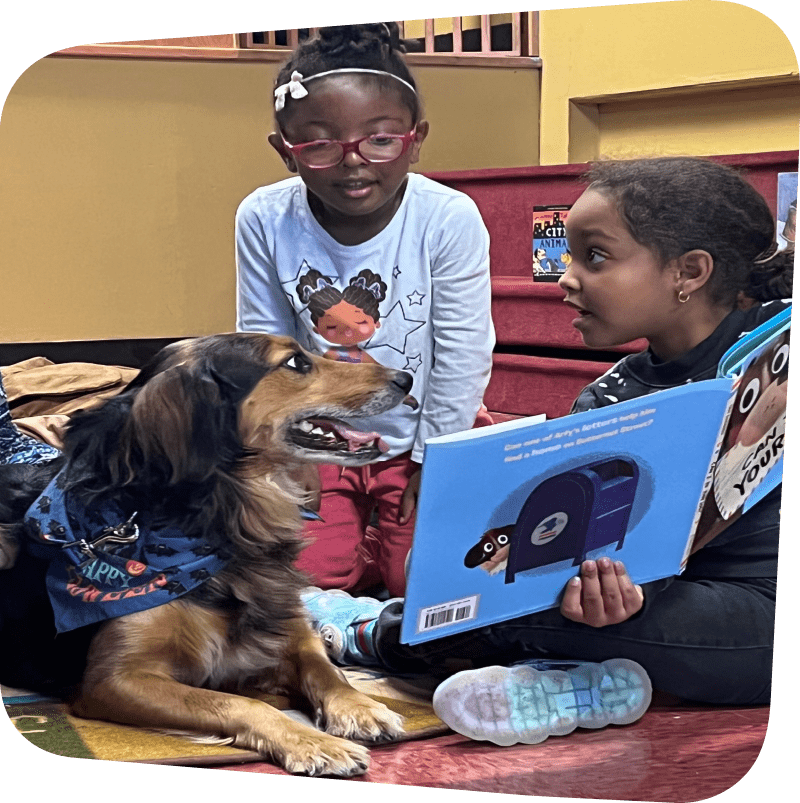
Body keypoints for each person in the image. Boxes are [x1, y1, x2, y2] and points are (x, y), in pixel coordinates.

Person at [302, 156, 792, 746]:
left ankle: (374, 633)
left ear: (688, 272)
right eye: (569, 255)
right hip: (649, 610)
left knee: (507, 618)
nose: (566, 277)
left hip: (764, 619)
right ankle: (574, 684)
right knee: (490, 600)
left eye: (596, 256)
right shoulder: (612, 395)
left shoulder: (774, 357)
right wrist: (594, 594)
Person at [235, 23, 495, 598]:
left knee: (431, 590)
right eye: (321, 144)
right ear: (285, 150)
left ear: (415, 138)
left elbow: (462, 351)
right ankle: (357, 545)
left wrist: (436, 460)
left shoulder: (446, 217)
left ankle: (381, 548)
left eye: (380, 140)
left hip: (426, 433)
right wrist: (289, 445)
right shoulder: (263, 217)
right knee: (302, 590)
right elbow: (264, 344)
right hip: (322, 437)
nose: (354, 163)